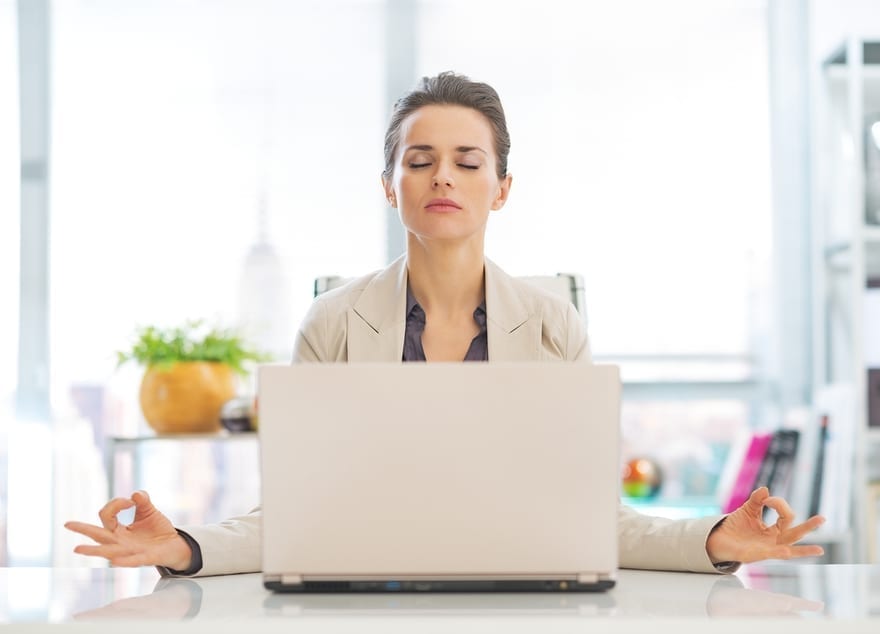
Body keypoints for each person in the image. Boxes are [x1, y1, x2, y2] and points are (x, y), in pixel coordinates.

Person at [65, 71, 826, 577]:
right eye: (420, 160)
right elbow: (292, 518)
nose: (443, 178)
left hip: (529, 595)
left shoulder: (555, 326)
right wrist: (184, 548)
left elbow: (597, 521)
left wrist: (714, 541)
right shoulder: (331, 323)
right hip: (364, 595)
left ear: (501, 189)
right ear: (388, 185)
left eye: (468, 161)